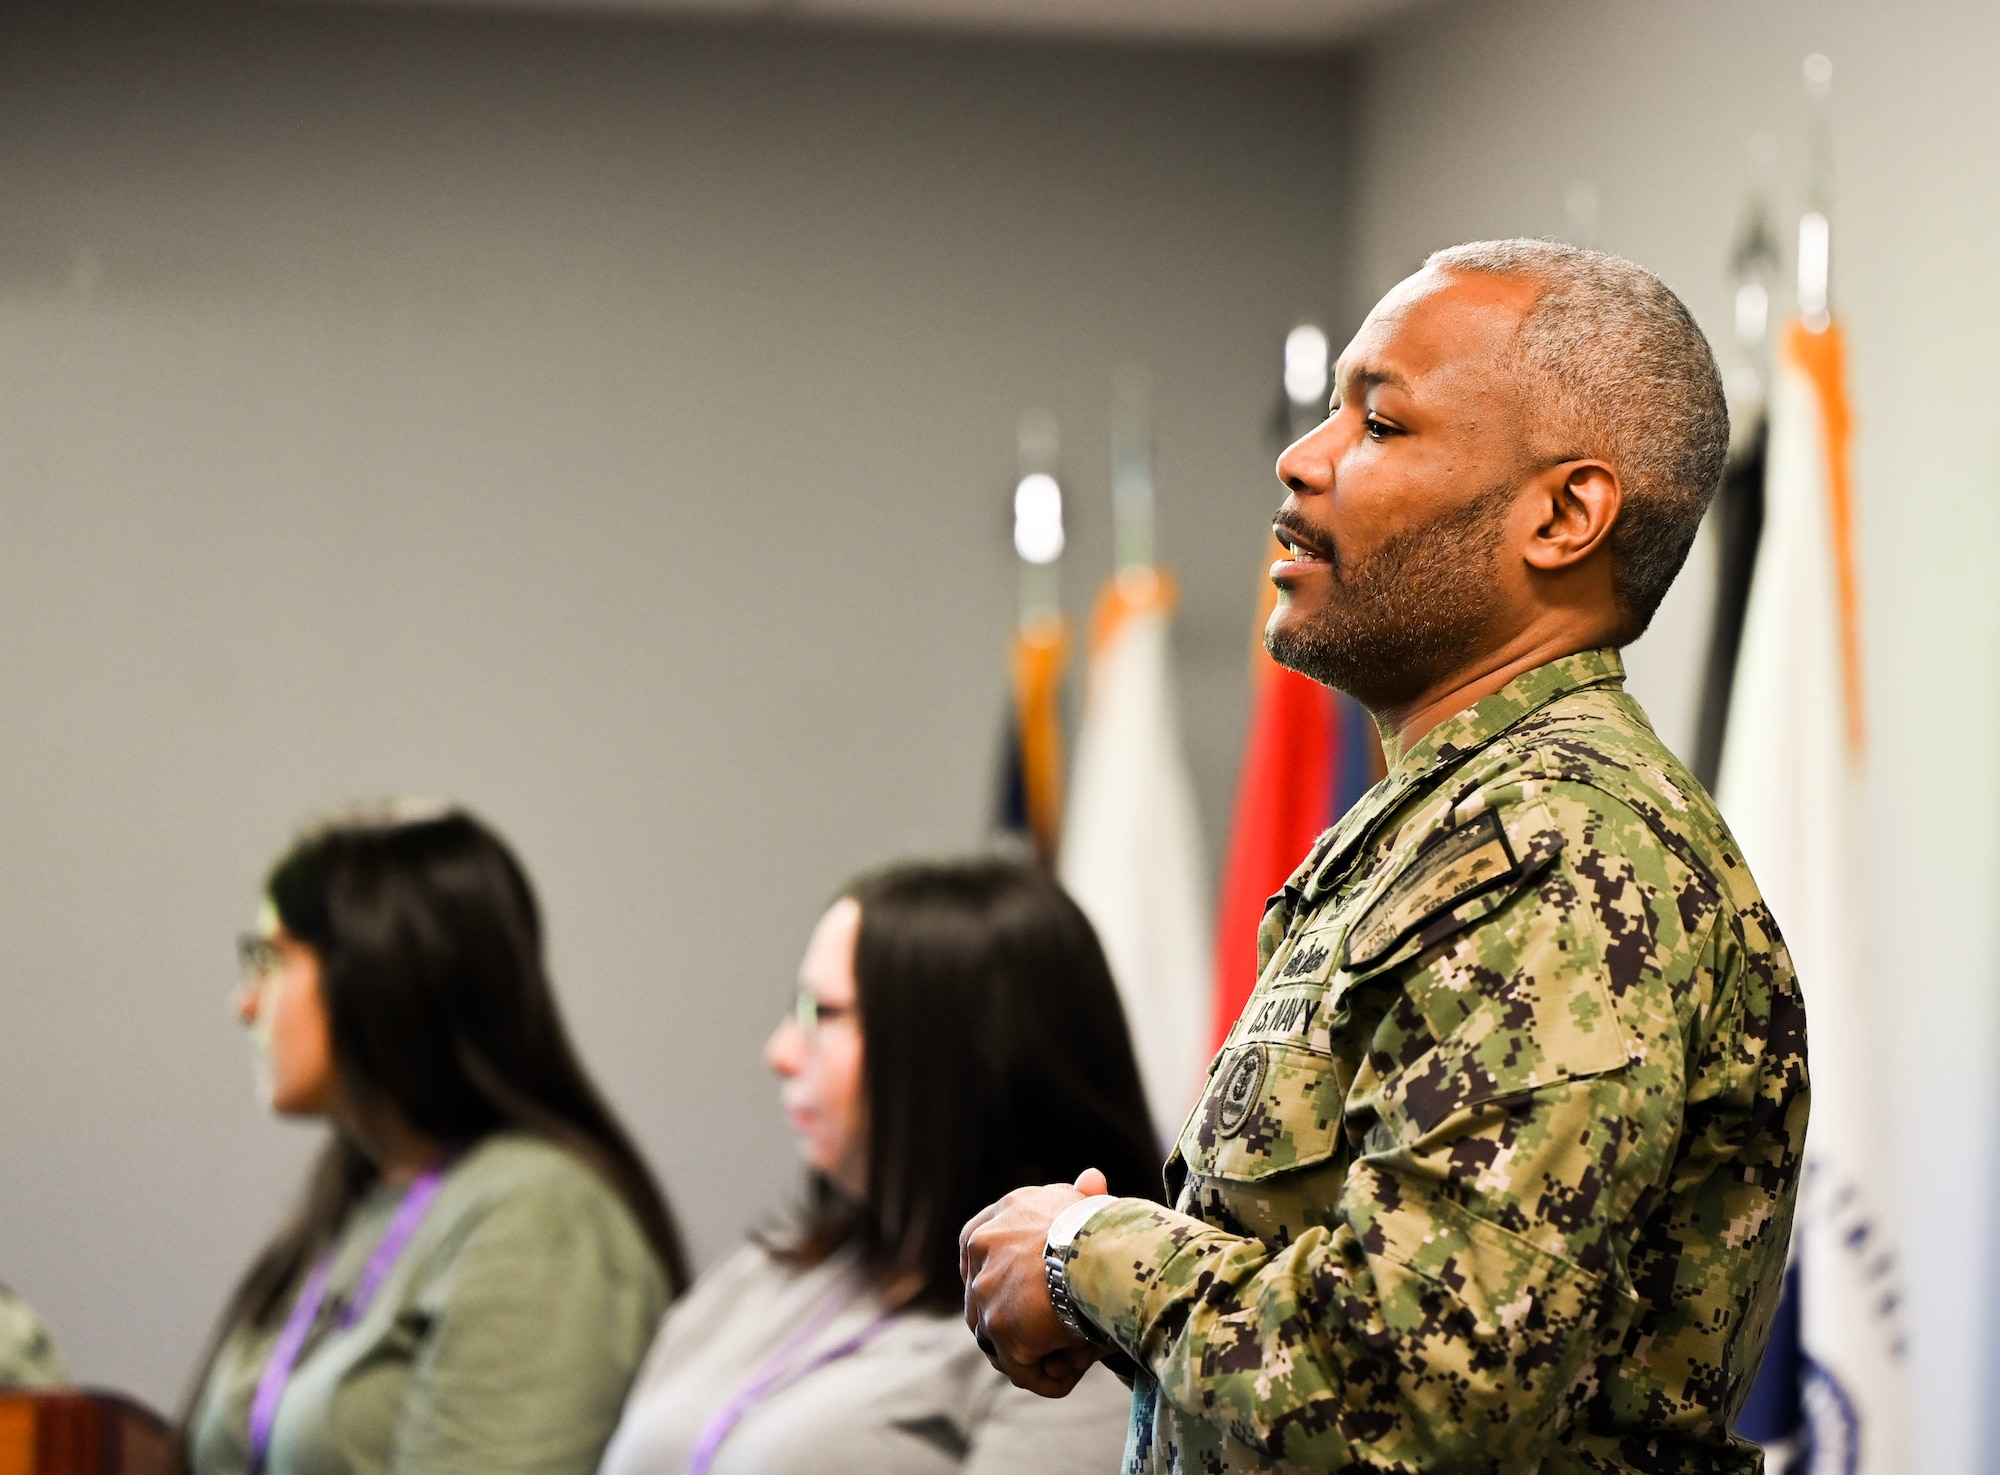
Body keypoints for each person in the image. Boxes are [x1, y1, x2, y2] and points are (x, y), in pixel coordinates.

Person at [961, 240, 1810, 1473]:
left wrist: (1085, 1253)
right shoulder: (1442, 823)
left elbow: (1413, 1382)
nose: (1300, 459)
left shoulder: (1558, 851)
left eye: (1379, 422)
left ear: (1563, 514)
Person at [598, 859, 1155, 1475]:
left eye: (820, 1013)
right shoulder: (761, 1274)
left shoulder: (1064, 1349)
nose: (780, 1053)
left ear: (952, 1053)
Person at [184, 804, 687, 1475]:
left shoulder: (539, 1218)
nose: (245, 1003)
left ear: (377, 966)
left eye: (270, 958)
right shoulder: (359, 1193)